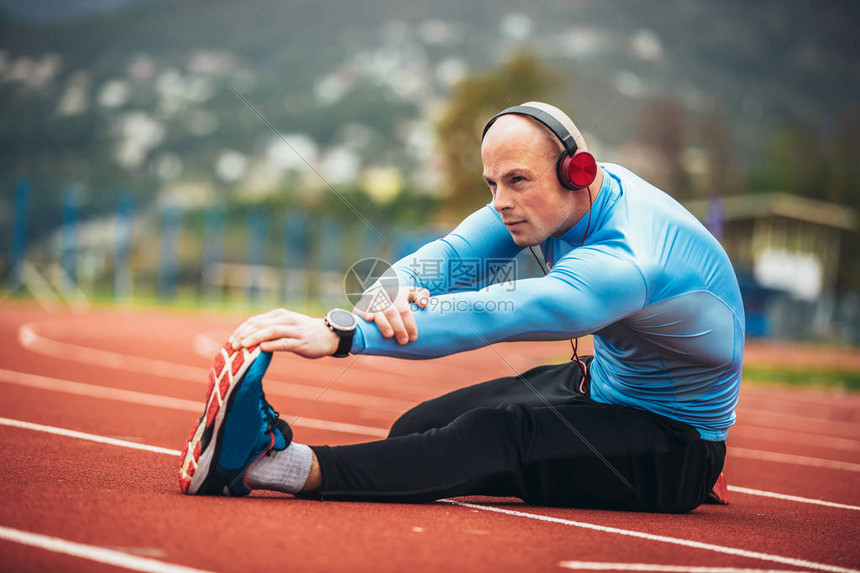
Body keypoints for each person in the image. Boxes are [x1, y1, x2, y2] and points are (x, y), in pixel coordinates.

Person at [178, 102, 743, 513]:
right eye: (492, 183)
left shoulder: (630, 259)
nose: (501, 201)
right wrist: (387, 295)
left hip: (674, 443)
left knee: (492, 436)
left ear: (579, 172)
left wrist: (343, 334)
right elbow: (451, 258)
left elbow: (501, 310)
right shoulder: (549, 203)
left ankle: (270, 465)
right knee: (416, 427)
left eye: (517, 180)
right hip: (601, 385)